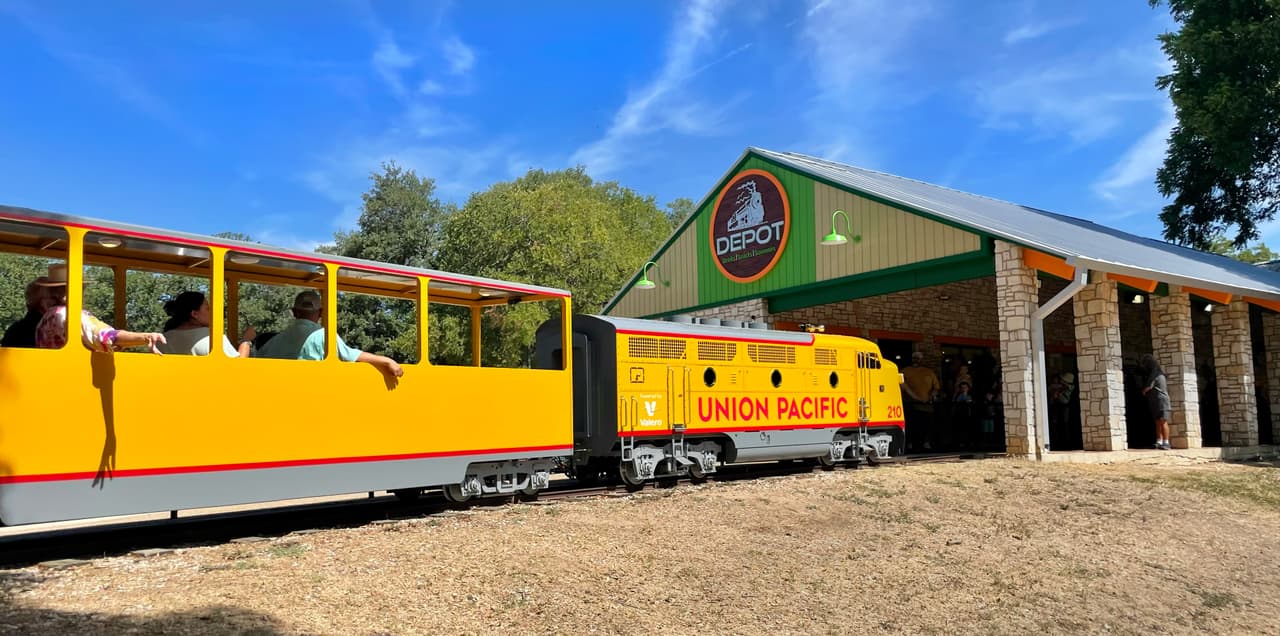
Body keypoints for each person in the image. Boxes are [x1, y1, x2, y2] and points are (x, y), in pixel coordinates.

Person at [257, 290, 403, 380]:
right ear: (321, 312)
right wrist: (386, 361)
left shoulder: (276, 340)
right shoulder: (323, 335)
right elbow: (349, 356)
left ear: (294, 312)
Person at [32, 264, 165, 353]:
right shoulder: (71, 314)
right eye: (81, 288)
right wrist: (145, 337)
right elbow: (105, 336)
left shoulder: (45, 318)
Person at [158, 291, 255, 357]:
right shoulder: (210, 337)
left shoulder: (162, 339)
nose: (212, 312)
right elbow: (236, 367)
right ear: (194, 314)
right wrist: (246, 341)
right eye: (207, 308)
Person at [901, 351, 941, 452]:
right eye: (914, 357)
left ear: (922, 360)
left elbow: (936, 387)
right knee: (911, 424)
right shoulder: (905, 371)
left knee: (926, 424)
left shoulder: (929, 372)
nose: (916, 360)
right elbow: (902, 386)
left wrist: (932, 396)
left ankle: (925, 443)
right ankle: (910, 443)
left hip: (926, 404)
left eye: (918, 358)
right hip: (910, 404)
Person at [1, 279, 54, 347]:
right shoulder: (48, 328)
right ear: (43, 303)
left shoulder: (15, 329)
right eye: (54, 297)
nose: (61, 301)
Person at [1140, 353, 1172, 450]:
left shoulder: (1156, 375)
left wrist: (1143, 391)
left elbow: (1148, 387)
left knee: (1163, 421)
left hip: (1162, 401)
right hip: (1155, 401)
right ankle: (1159, 441)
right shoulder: (1156, 373)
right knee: (1157, 421)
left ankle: (1166, 442)